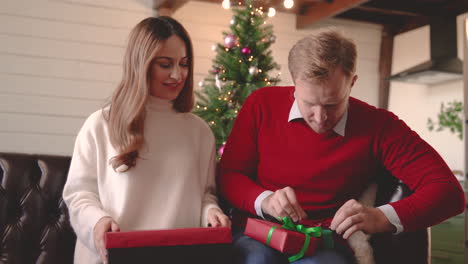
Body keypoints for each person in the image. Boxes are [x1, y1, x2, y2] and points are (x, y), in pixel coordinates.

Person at [218, 29, 465, 264]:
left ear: (352, 82)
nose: (320, 117)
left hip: (323, 242)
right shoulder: (261, 104)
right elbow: (229, 175)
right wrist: (266, 200)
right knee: (257, 260)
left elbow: (449, 192)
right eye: (309, 104)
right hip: (258, 232)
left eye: (332, 104)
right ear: (294, 83)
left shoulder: (379, 126)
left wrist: (381, 217)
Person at [63, 16, 230, 264]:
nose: (177, 74)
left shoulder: (200, 132)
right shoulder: (100, 125)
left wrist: (211, 211)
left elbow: (205, 194)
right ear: (140, 64)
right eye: (165, 64)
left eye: (184, 64)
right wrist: (98, 221)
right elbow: (80, 194)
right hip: (112, 257)